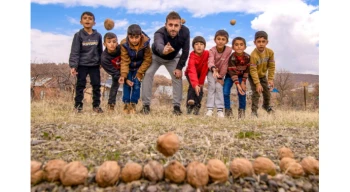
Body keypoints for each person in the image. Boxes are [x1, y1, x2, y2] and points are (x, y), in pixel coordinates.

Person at [141, 11, 190, 115]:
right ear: (165, 25)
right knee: (148, 73)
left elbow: (185, 52)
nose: (173, 28)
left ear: (180, 26)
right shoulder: (159, 33)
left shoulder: (185, 32)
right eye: (170, 25)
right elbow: (158, 43)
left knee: (177, 76)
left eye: (176, 25)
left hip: (173, 58)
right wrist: (164, 49)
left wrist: (179, 68)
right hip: (156, 56)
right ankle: (145, 106)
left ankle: (176, 107)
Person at [69, 11, 103, 113]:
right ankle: (78, 106)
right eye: (85, 18)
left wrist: (101, 62)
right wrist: (73, 65)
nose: (87, 20)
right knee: (80, 85)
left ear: (94, 22)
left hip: (94, 65)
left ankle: (96, 106)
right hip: (82, 65)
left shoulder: (98, 36)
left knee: (96, 85)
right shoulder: (78, 35)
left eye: (90, 18)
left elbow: (100, 50)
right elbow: (75, 51)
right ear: (81, 21)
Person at [118, 24, 152, 114]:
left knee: (136, 84)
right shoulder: (124, 44)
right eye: (131, 37)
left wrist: (140, 73)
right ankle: (126, 103)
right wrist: (124, 75)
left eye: (136, 37)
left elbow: (148, 59)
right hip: (128, 67)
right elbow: (124, 61)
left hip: (139, 67)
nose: (134, 40)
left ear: (140, 36)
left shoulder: (146, 43)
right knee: (127, 84)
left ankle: (133, 103)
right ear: (128, 36)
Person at [248, 30, 276, 117]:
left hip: (263, 75)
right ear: (254, 43)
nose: (261, 44)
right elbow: (253, 70)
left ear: (267, 42)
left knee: (267, 92)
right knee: (256, 93)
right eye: (258, 42)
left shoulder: (270, 52)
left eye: (263, 42)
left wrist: (270, 79)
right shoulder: (253, 55)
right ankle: (254, 112)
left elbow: (271, 66)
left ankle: (266, 106)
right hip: (253, 77)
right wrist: (257, 84)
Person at [206, 30, 232, 118]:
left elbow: (225, 64)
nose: (220, 41)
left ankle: (220, 110)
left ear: (227, 41)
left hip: (221, 73)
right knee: (212, 87)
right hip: (211, 71)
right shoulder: (212, 50)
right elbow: (210, 61)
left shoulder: (228, 50)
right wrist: (213, 69)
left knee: (219, 87)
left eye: (223, 39)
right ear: (214, 40)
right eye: (218, 39)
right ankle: (210, 109)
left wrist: (220, 77)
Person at [224, 37, 250, 118]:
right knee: (225, 92)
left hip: (241, 77)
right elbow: (232, 72)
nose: (239, 46)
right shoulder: (232, 57)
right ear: (233, 47)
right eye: (236, 45)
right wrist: (237, 85)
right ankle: (228, 111)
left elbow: (247, 71)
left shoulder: (248, 57)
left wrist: (243, 82)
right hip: (230, 76)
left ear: (245, 47)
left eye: (241, 45)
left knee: (242, 92)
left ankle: (241, 112)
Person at [184, 36, 209, 115]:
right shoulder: (192, 56)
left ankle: (197, 107)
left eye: (201, 44)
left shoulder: (207, 54)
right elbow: (192, 70)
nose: (199, 46)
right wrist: (195, 84)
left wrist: (200, 83)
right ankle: (189, 105)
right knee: (193, 86)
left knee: (200, 90)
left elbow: (205, 69)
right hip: (190, 73)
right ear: (193, 46)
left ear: (204, 46)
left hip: (201, 74)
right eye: (196, 44)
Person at [100, 32, 121, 111]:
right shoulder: (104, 58)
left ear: (117, 43)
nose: (112, 44)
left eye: (114, 42)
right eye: (109, 42)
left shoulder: (121, 48)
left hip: (125, 68)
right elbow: (112, 71)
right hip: (115, 71)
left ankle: (129, 103)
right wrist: (120, 76)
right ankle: (111, 105)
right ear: (104, 44)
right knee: (115, 86)